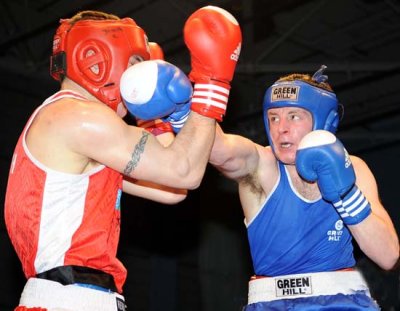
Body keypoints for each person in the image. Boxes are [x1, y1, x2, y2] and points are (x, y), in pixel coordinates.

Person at [4, 7, 242, 311]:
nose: (136, 77)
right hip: (69, 298)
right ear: (96, 59)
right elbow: (184, 172)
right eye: (134, 63)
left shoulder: (80, 128)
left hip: (82, 296)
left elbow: (170, 190)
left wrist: (154, 117)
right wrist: (212, 85)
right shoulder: (78, 117)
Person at [209, 65, 399, 310]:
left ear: (323, 122)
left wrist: (345, 193)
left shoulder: (354, 168)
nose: (281, 128)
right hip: (270, 304)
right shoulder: (260, 165)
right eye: (274, 118)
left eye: (294, 116)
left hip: (343, 303)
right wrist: (198, 94)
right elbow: (219, 150)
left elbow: (389, 255)